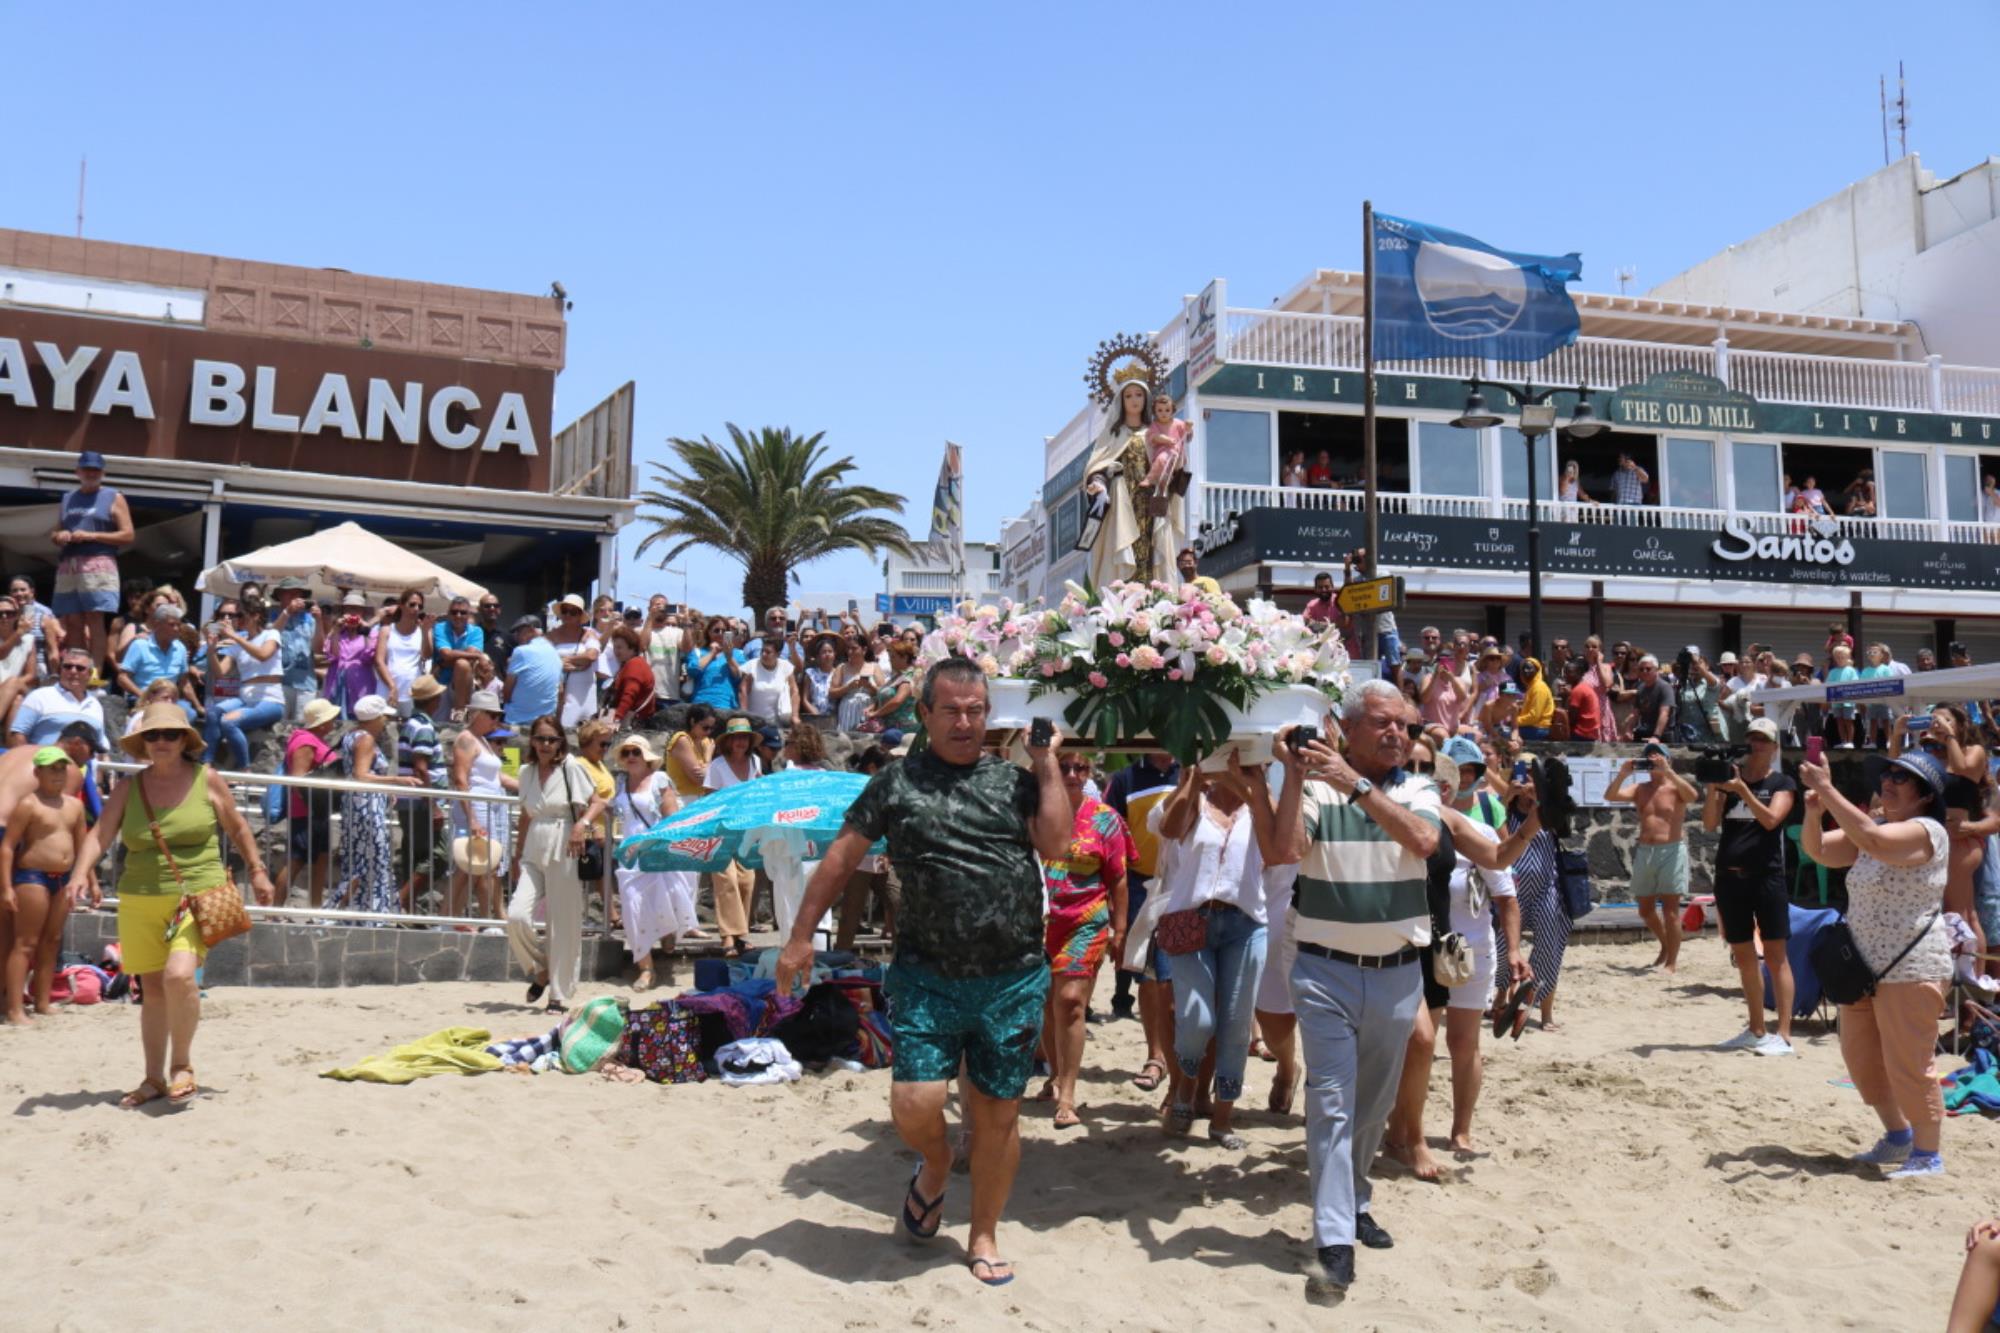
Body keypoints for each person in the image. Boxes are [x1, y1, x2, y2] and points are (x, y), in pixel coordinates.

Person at [775, 658, 1070, 1288]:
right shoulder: (895, 784)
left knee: (997, 1116)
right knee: (915, 1103)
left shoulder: (1015, 781)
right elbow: (840, 858)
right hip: (927, 976)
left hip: (1011, 978)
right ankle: (934, 1165)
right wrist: (800, 938)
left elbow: (1056, 844)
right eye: (952, 710)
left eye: (976, 710)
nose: (965, 722)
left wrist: (1046, 765)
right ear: (925, 714)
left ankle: (983, 1234)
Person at [1252, 678, 1441, 1294]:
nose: (1397, 735)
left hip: (1396, 973)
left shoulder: (1417, 787)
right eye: (1383, 723)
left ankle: (1355, 1196)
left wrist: (1351, 785)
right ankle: (1333, 1236)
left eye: (1405, 726)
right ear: (1348, 727)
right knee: (1331, 1100)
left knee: (1372, 1105)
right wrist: (1297, 776)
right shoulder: (1314, 789)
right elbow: (1283, 852)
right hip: (1323, 970)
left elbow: (1423, 840)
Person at [65, 703, 275, 1106]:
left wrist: (258, 869)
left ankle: (182, 1065)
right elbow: (99, 835)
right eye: (152, 735)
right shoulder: (129, 787)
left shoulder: (206, 779)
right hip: (139, 898)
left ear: (184, 740)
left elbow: (238, 825)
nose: (161, 741)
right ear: (143, 742)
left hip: (197, 896)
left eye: (170, 734)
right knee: (153, 991)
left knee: (179, 976)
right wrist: (79, 874)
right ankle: (152, 1079)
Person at [1383, 737, 1534, 1177]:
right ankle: (1404, 1129)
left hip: (1468, 950)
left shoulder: (1474, 828)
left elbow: (1505, 893)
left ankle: (1457, 1131)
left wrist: (1514, 951)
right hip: (1417, 945)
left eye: (1430, 773)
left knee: (1461, 1043)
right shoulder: (1388, 817)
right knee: (1416, 1043)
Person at [1799, 749, 1953, 1176]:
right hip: (1862, 968)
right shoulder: (1876, 825)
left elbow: (1874, 842)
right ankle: (1898, 1137)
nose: (1888, 781)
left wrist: (1827, 789)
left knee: (1909, 1062)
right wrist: (1814, 813)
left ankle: (1928, 1153)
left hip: (1912, 967)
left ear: (1924, 796)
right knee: (1862, 1059)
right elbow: (1820, 851)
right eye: (1887, 773)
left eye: (1900, 778)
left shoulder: (1928, 831)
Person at [1142, 757, 1275, 1150]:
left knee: (1236, 1026)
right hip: (1189, 918)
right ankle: (1185, 1086)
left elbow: (1282, 850)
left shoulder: (1262, 803)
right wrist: (1193, 778)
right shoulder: (1188, 797)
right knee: (1197, 1019)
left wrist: (1250, 787)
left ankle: (1222, 1120)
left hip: (1246, 922)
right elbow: (1166, 828)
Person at [1032, 750, 1132, 1131]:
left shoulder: (1106, 819)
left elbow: (1118, 877)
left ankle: (1069, 1094)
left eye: (1081, 767)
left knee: (1071, 1002)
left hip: (1086, 920)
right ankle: (1055, 1076)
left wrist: (1119, 930)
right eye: (1064, 766)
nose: (1072, 774)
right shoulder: (1034, 811)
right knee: (1045, 1001)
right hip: (1038, 920)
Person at [1702, 716, 1799, 1056]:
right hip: (1730, 877)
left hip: (1766, 878)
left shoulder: (1782, 782)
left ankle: (1784, 1034)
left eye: (1762, 740)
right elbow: (1710, 823)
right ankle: (1757, 1029)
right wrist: (1716, 787)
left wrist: (1743, 791)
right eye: (1752, 738)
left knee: (1776, 956)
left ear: (1774, 747)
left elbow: (1772, 820)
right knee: (1744, 956)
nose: (1755, 745)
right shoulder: (1731, 780)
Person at [507, 714, 607, 1011]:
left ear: (561, 741)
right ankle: (541, 968)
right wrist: (517, 853)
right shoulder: (526, 772)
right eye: (540, 738)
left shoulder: (571, 766)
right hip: (534, 845)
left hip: (564, 841)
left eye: (552, 739)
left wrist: (581, 826)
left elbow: (598, 801)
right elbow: (526, 815)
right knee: (516, 916)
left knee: (562, 924)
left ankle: (558, 995)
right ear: (532, 740)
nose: (546, 744)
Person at [1102, 751, 1180, 1088]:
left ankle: (1179, 1063)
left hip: (1187, 887)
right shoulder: (1123, 780)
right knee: (1149, 976)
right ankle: (1156, 1056)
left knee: (1176, 980)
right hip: (1139, 886)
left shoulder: (1196, 772)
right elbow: (1110, 835)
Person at [1, 747, 88, 1024]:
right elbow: (8, 846)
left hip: (62, 878)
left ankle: (42, 1000)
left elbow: (83, 846)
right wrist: (6, 887)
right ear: (36, 772)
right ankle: (14, 1008)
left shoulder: (74, 805)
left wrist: (91, 880)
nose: (59, 774)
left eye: (62, 768)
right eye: (52, 768)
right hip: (33, 877)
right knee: (25, 943)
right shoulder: (28, 804)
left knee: (51, 942)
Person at [613, 735, 700, 990]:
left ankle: (667, 935)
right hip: (630, 854)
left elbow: (671, 816)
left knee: (665, 898)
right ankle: (646, 968)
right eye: (627, 752)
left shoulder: (659, 780)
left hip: (655, 850)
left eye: (635, 752)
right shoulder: (620, 783)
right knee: (631, 908)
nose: (630, 757)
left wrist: (657, 843)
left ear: (646, 756)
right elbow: (611, 809)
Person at [1605, 742, 1697, 972]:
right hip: (1646, 851)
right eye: (1649, 758)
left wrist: (1669, 772)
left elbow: (1693, 795)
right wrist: (1623, 774)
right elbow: (1611, 795)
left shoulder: (1676, 788)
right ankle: (1666, 945)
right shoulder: (1640, 788)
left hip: (1672, 850)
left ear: (1668, 760)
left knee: (1671, 910)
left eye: (1658, 757)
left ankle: (1672, 962)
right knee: (1645, 910)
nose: (1653, 760)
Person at [330, 696, 420, 916]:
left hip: (359, 803)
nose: (387, 721)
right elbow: (361, 775)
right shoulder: (366, 739)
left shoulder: (352, 735)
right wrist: (396, 781)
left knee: (363, 861)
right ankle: (348, 910)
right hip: (366, 805)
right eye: (384, 717)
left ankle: (358, 910)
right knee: (373, 859)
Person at [50, 450, 135, 672]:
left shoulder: (113, 496)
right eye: (87, 469)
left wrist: (92, 536)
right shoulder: (68, 498)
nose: (91, 473)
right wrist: (59, 536)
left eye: (95, 470)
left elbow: (128, 535)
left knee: (95, 619)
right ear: (77, 471)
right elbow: (56, 531)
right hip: (69, 564)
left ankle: (95, 672)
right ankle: (75, 668)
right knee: (72, 621)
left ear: (102, 472)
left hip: (98, 562)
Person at [448, 689, 514, 922]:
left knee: (482, 865)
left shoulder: (481, 740)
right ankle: (461, 917)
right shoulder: (466, 739)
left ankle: (469, 916)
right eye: (492, 715)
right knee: (474, 865)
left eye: (498, 716)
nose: (496, 721)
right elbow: (461, 779)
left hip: (490, 805)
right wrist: (473, 818)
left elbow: (496, 778)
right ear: (477, 714)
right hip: (477, 806)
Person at [704, 717, 764, 956]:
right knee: (725, 879)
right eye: (736, 737)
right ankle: (730, 936)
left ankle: (739, 933)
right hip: (722, 828)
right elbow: (708, 799)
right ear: (728, 741)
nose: (740, 741)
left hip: (748, 828)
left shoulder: (755, 761)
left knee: (746, 880)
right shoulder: (718, 765)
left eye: (744, 737)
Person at [202, 598, 283, 771]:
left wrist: (235, 637)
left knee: (228, 722)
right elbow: (220, 674)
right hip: (245, 698)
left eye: (239, 615)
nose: (235, 619)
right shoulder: (238, 642)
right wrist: (211, 649)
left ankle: (244, 769)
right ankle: (206, 763)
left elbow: (263, 654)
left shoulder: (271, 634)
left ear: (256, 615)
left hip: (270, 700)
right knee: (213, 713)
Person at [277, 699, 341, 908]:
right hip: (306, 812)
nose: (334, 722)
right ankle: (273, 910)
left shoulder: (310, 739)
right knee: (296, 861)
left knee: (321, 859)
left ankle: (315, 909)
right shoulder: (306, 743)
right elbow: (299, 780)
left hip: (315, 812)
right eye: (331, 718)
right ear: (321, 723)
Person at [9, 646, 105, 750]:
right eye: (67, 666)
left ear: (89, 674)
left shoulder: (95, 705)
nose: (73, 671)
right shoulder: (40, 696)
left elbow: (100, 744)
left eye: (80, 668)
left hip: (86, 765)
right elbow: (18, 735)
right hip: (45, 764)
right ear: (61, 670)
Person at [116, 601, 194, 719]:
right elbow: (122, 678)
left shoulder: (180, 648)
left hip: (170, 699)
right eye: (172, 625)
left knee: (190, 714)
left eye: (178, 625)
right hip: (143, 698)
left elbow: (185, 682)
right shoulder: (140, 645)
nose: (177, 628)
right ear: (157, 624)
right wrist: (143, 696)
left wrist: (198, 706)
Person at [270, 579, 323, 722]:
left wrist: (319, 621)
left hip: (306, 683)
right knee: (278, 726)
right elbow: (270, 637)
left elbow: (318, 648)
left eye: (298, 594)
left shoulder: (309, 619)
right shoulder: (271, 617)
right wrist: (287, 612)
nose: (295, 598)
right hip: (280, 682)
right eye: (290, 594)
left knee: (303, 727)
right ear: (280, 596)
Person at [545, 594, 601, 728]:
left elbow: (592, 656)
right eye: (565, 611)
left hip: (584, 694)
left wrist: (564, 660)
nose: (568, 615)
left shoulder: (589, 634)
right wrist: (563, 664)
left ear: (580, 615)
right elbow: (542, 660)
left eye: (573, 612)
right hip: (559, 693)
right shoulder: (551, 635)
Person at [374, 588, 430, 716]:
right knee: (385, 731)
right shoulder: (386, 630)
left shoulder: (423, 631)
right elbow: (379, 661)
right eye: (412, 604)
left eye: (419, 606)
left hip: (412, 691)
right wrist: (392, 686)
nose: (416, 609)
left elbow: (426, 655)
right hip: (387, 689)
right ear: (401, 606)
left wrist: (426, 631)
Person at [322, 592, 379, 718]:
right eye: (349, 609)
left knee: (359, 718)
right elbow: (334, 656)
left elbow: (368, 657)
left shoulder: (370, 633)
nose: (353, 613)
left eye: (356, 609)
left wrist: (365, 631)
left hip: (360, 684)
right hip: (337, 682)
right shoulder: (337, 632)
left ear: (362, 612)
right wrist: (336, 630)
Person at [431, 596, 486, 717]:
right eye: (454, 612)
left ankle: (459, 713)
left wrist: (443, 664)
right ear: (448, 614)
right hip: (441, 684)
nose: (458, 616)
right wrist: (477, 655)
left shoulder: (476, 631)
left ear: (469, 614)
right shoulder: (440, 627)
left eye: (463, 612)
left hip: (463, 684)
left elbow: (464, 659)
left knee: (462, 664)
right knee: (438, 726)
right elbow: (446, 654)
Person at [503, 616, 562, 728]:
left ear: (531, 630)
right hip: (544, 725)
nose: (516, 637)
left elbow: (507, 691)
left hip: (516, 722)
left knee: (509, 745)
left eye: (519, 632)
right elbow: (561, 691)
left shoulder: (520, 651)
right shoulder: (555, 654)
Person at [602, 627, 657, 726]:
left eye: (619, 647)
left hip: (633, 724)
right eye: (614, 647)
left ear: (632, 648)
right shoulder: (631, 664)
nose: (616, 651)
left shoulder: (634, 666)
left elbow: (629, 695)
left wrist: (616, 719)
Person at [740, 634, 799, 725]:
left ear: (778, 654)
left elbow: (794, 692)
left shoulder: (786, 667)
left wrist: (795, 716)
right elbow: (743, 692)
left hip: (778, 723)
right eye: (762, 651)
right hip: (754, 722)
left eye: (768, 652)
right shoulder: (751, 666)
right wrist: (744, 716)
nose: (763, 654)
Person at [865, 641, 919, 735]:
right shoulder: (896, 677)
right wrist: (872, 707)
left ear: (905, 658)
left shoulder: (909, 676)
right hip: (889, 729)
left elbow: (897, 701)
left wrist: (876, 713)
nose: (890, 660)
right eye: (890, 656)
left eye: (893, 657)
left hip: (903, 731)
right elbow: (885, 697)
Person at [1139, 391, 1189, 493]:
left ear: (1172, 411)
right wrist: (1165, 439)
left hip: (1176, 454)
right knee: (1162, 459)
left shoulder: (1178, 423)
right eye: (1160, 410)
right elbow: (1153, 436)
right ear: (1155, 412)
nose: (1164, 413)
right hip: (1162, 453)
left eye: (1167, 410)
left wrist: (1189, 427)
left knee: (1170, 461)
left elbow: (1186, 433)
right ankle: (1153, 479)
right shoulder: (1155, 425)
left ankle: (1157, 479)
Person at [831, 633, 882, 731]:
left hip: (868, 709)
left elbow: (883, 692)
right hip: (847, 710)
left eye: (854, 648)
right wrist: (848, 687)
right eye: (848, 648)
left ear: (864, 650)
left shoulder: (874, 667)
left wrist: (870, 686)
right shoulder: (841, 668)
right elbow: (832, 693)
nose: (850, 652)